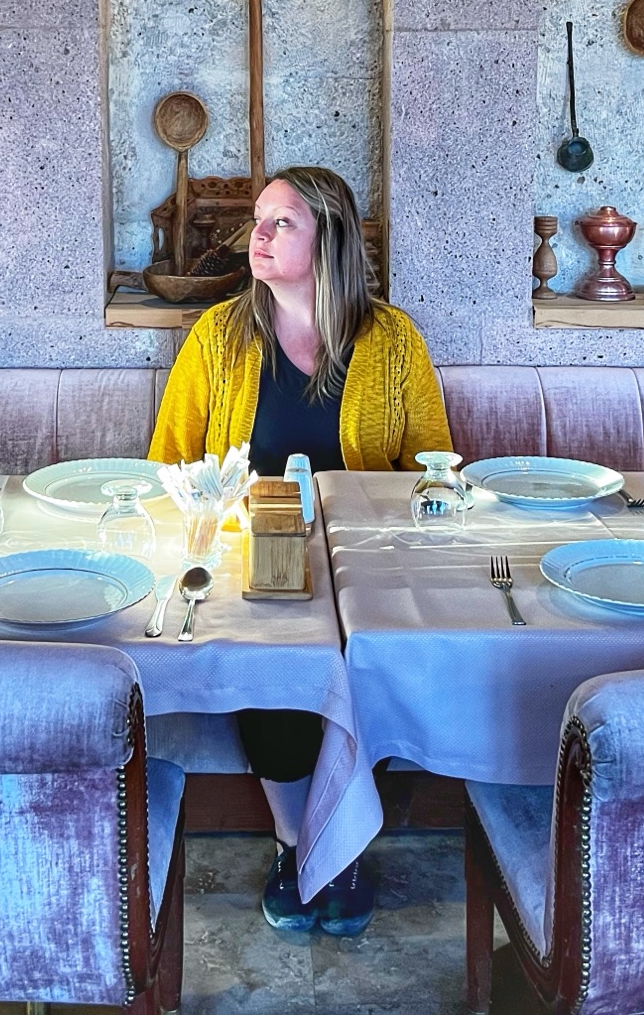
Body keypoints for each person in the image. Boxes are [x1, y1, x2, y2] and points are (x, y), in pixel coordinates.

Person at [149, 165, 454, 937]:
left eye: (282, 222)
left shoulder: (393, 341)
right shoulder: (218, 338)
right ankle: (301, 845)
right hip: (255, 565)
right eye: (259, 219)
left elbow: (433, 470)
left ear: (331, 239)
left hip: (367, 568)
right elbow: (168, 470)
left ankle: (341, 843)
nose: (257, 235)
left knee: (377, 655)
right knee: (275, 659)